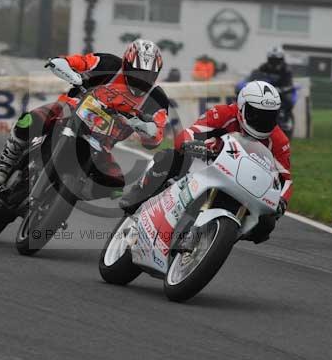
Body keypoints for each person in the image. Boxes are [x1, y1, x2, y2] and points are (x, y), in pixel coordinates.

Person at [0, 39, 170, 198]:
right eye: (136, 72)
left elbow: (157, 135)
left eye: (148, 75)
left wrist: (143, 127)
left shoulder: (157, 98)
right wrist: (64, 67)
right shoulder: (107, 64)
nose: (141, 79)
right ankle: (4, 164)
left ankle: (66, 196)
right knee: (30, 120)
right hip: (68, 112)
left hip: (101, 142)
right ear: (125, 64)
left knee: (114, 185)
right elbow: (74, 61)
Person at [120, 80, 293, 244]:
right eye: (256, 114)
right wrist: (190, 144)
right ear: (242, 108)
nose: (261, 121)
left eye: (268, 117)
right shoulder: (224, 113)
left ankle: (223, 237)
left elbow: (286, 178)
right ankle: (139, 195)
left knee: (267, 223)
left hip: (244, 183)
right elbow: (192, 132)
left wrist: (282, 201)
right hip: (207, 162)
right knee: (169, 157)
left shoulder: (279, 140)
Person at [258, 46, 294, 113]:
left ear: (281, 60)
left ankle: (284, 115)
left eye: (276, 60)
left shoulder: (286, 69)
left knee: (288, 101)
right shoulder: (263, 67)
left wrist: (282, 89)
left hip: (281, 90)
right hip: (265, 89)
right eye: (272, 60)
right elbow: (256, 76)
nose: (274, 62)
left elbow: (289, 83)